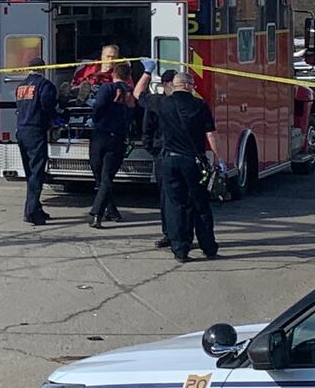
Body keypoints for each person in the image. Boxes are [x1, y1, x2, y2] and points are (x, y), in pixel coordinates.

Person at [151, 68, 220, 263]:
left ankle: (180, 250)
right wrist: (217, 158)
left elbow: (138, 95)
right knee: (201, 205)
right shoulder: (199, 105)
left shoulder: (163, 104)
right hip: (192, 161)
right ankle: (209, 248)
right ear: (189, 86)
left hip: (169, 161)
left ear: (175, 85)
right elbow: (210, 134)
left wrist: (147, 72)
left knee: (176, 205)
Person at [87, 62, 146, 228]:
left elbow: (98, 106)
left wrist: (96, 120)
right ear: (128, 77)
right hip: (118, 138)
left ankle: (97, 213)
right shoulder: (131, 94)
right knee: (106, 177)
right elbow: (138, 114)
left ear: (113, 74)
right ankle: (111, 211)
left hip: (100, 136)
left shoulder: (106, 89)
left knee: (100, 176)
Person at [13, 56, 58, 225]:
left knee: (30, 173)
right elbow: (48, 107)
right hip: (35, 132)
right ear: (43, 69)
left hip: (21, 132)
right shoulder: (45, 86)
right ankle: (31, 212)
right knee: (37, 173)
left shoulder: (20, 86)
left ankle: (35, 207)